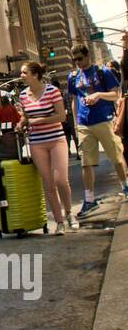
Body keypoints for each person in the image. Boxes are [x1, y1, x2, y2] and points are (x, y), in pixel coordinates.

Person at [66, 42, 128, 217]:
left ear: (88, 56)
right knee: (86, 162)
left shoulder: (103, 72)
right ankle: (89, 199)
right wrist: (77, 121)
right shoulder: (73, 77)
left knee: (116, 156)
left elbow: (116, 94)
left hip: (104, 120)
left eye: (80, 58)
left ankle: (125, 186)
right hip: (84, 124)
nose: (78, 62)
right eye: (75, 59)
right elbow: (74, 99)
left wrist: (99, 95)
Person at [16, 62, 74, 233]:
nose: (21, 75)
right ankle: (59, 222)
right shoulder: (23, 95)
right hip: (36, 142)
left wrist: (39, 120)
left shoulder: (52, 91)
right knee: (48, 184)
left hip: (56, 139)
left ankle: (69, 213)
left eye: (24, 72)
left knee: (60, 180)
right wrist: (21, 123)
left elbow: (62, 116)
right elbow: (26, 117)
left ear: (35, 74)